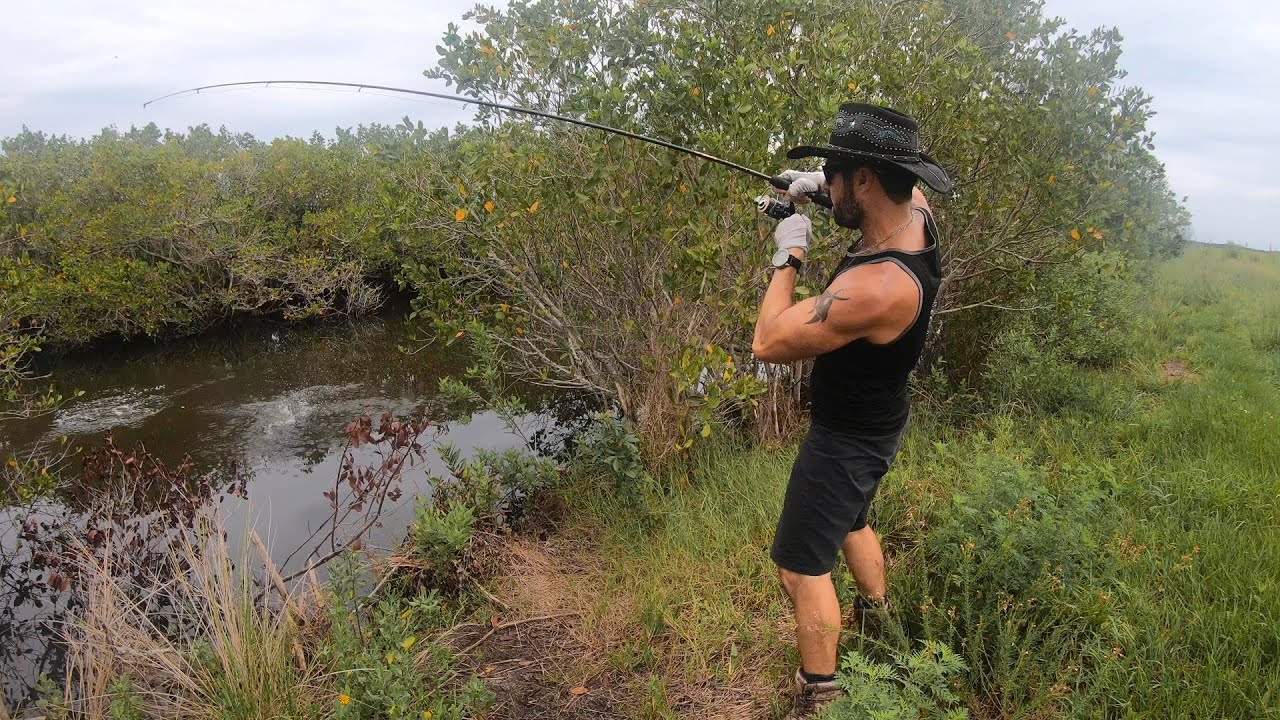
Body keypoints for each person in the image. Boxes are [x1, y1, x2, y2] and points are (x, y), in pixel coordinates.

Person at [751, 102, 955, 718]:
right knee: (853, 521)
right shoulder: (915, 213)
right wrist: (821, 188)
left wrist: (790, 250)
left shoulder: (880, 286)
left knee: (800, 567)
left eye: (836, 171)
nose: (827, 179)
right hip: (880, 417)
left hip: (845, 438)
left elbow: (769, 341)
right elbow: (904, 192)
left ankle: (822, 695)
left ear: (866, 179)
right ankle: (879, 620)